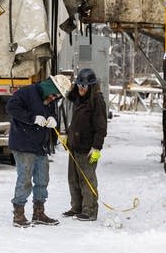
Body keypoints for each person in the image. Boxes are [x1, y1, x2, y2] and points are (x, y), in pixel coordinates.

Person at [6, 74, 72, 227]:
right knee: (25, 179)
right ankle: (19, 214)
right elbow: (11, 107)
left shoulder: (50, 100)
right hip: (23, 144)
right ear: (50, 87)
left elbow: (52, 114)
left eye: (58, 96)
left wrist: (53, 119)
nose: (55, 98)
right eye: (55, 93)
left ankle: (39, 212)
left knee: (42, 179)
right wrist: (32, 118)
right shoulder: (26, 93)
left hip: (40, 146)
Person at [63, 68, 107, 221]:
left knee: (87, 180)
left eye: (85, 86)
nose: (81, 88)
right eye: (79, 85)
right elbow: (75, 123)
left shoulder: (97, 101)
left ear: (91, 86)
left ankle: (89, 211)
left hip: (87, 149)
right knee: (73, 179)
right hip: (74, 146)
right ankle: (77, 207)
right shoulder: (77, 100)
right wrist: (67, 138)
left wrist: (97, 147)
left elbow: (101, 128)